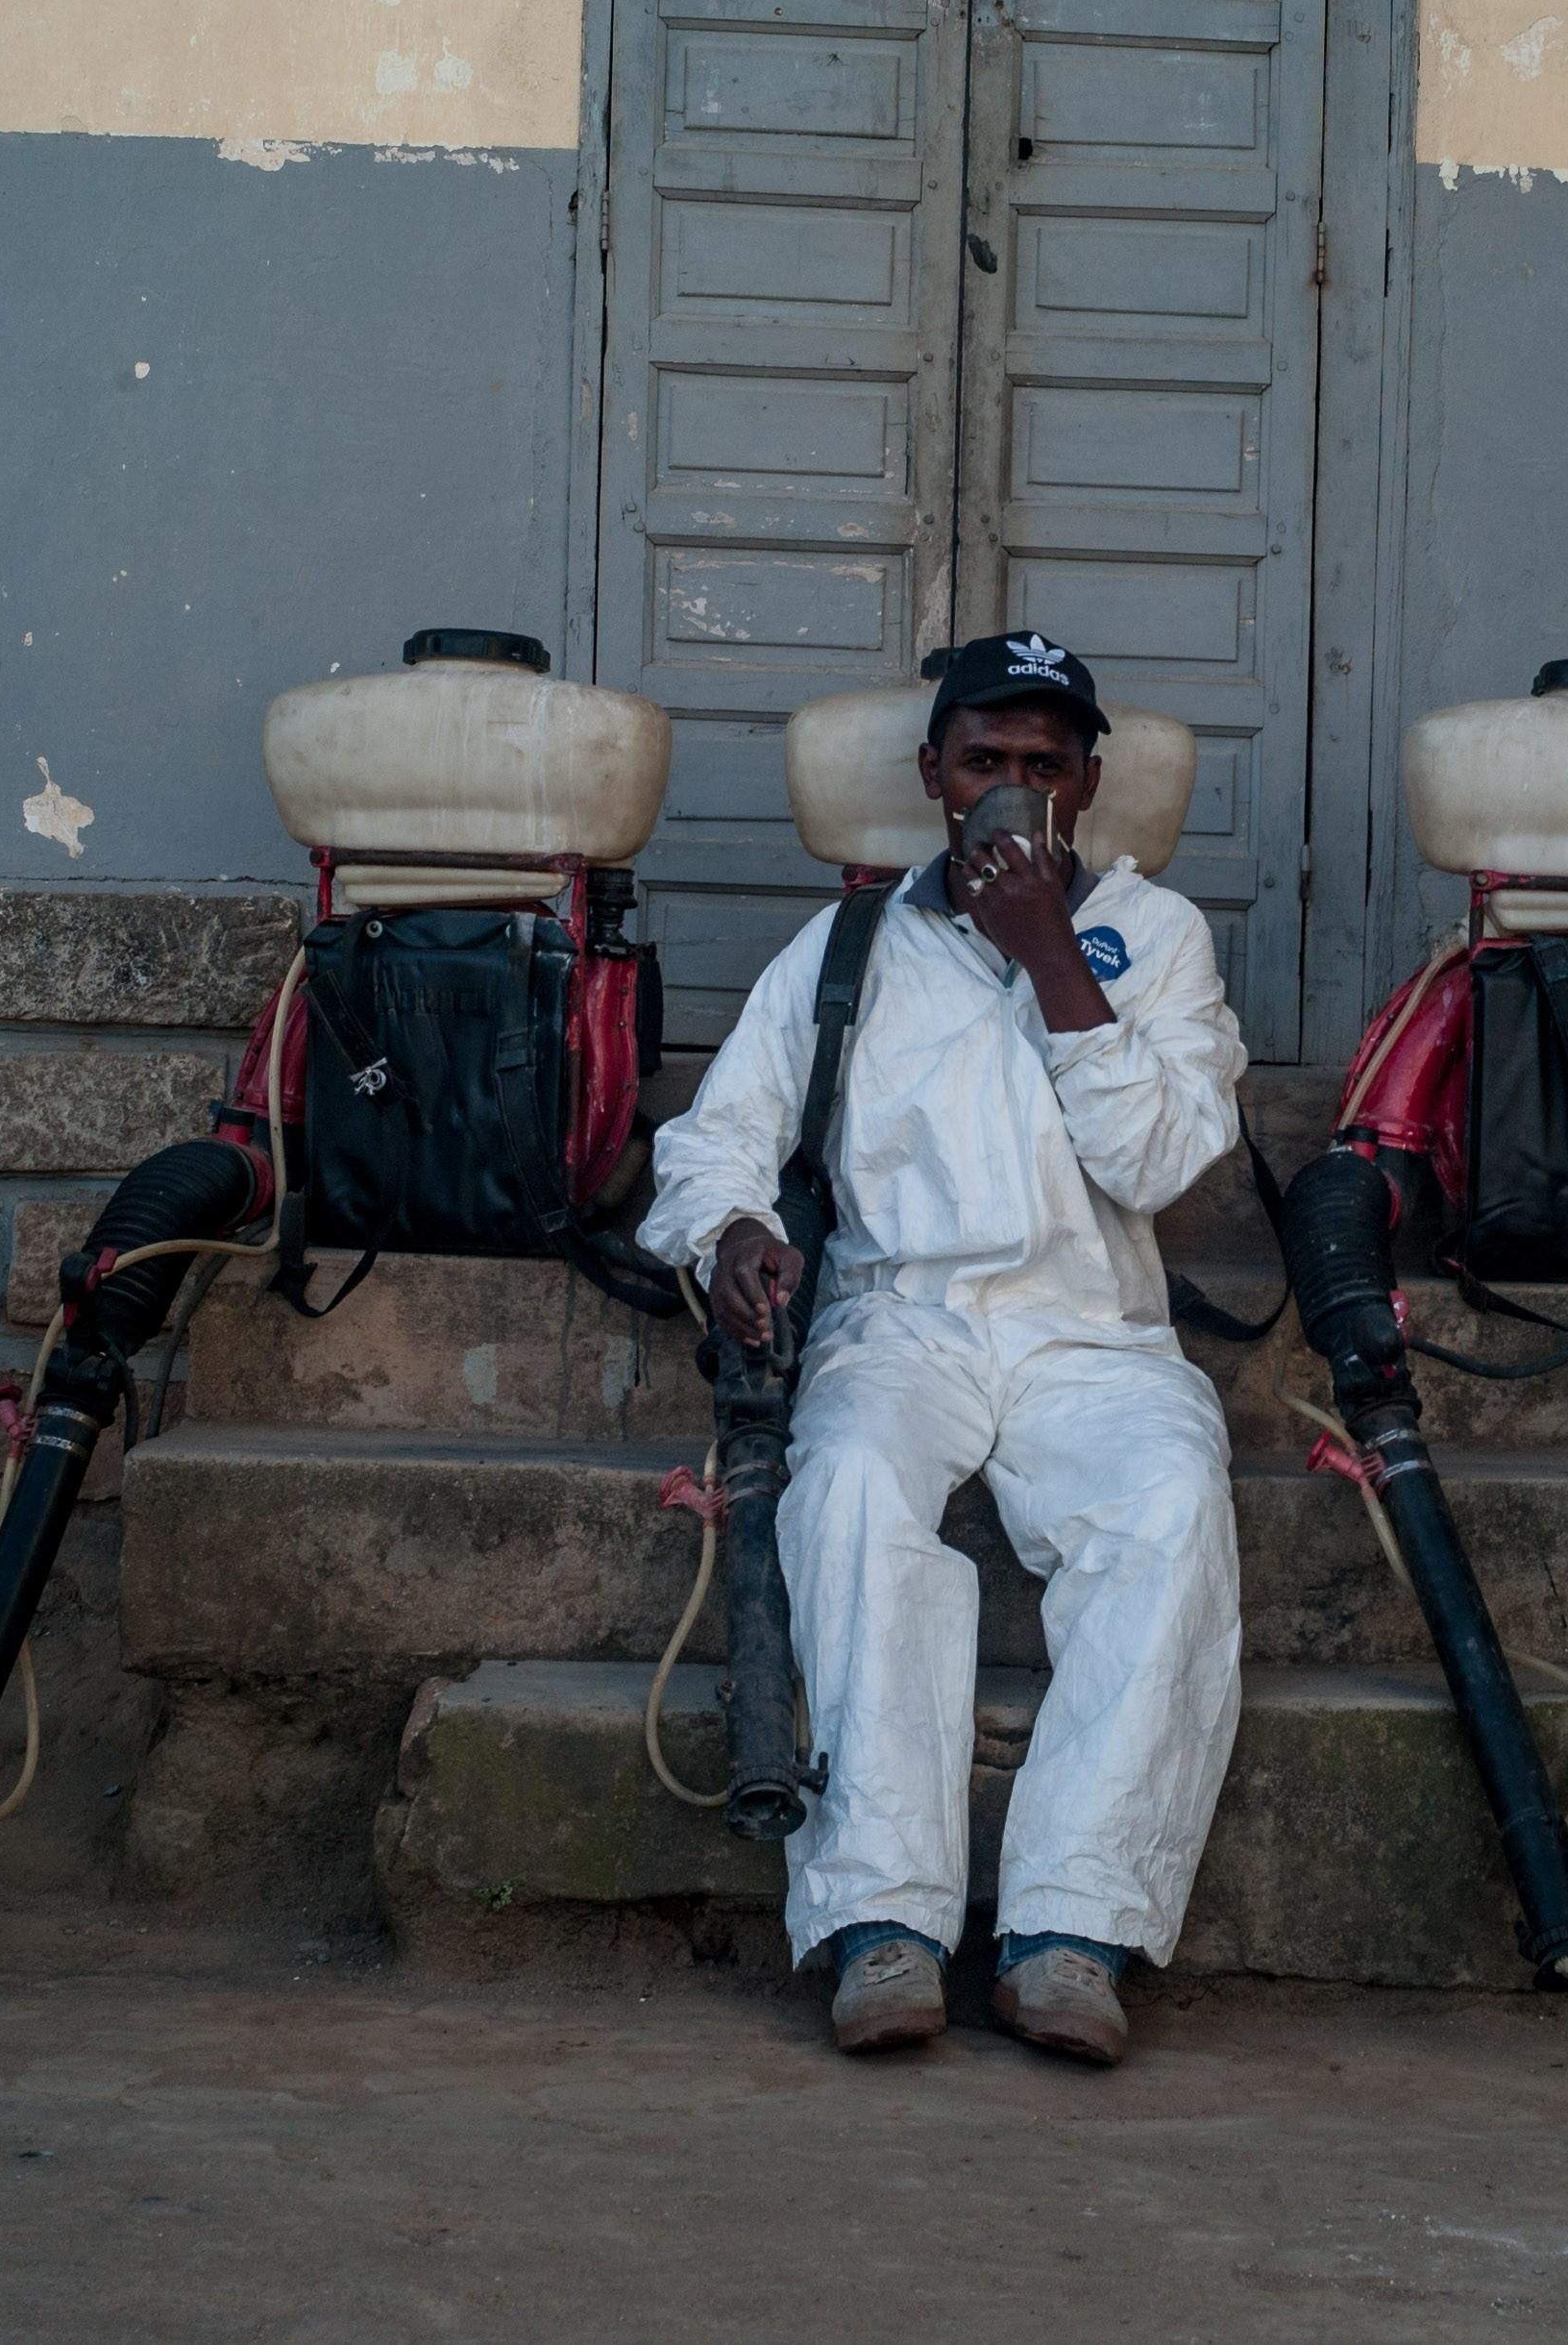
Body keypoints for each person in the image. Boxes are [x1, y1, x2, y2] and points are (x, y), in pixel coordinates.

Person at [639, 634, 1249, 2066]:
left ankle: (1070, 1928)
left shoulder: (1155, 941)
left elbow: (1158, 1157)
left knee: (1167, 1508)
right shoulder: (850, 942)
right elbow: (717, 1137)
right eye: (987, 762)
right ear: (933, 775)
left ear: (1089, 784)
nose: (1013, 790)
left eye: (1045, 766)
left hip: (1091, 1329)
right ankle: (885, 1918)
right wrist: (729, 1234)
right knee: (843, 1486)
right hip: (897, 1317)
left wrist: (1050, 950)